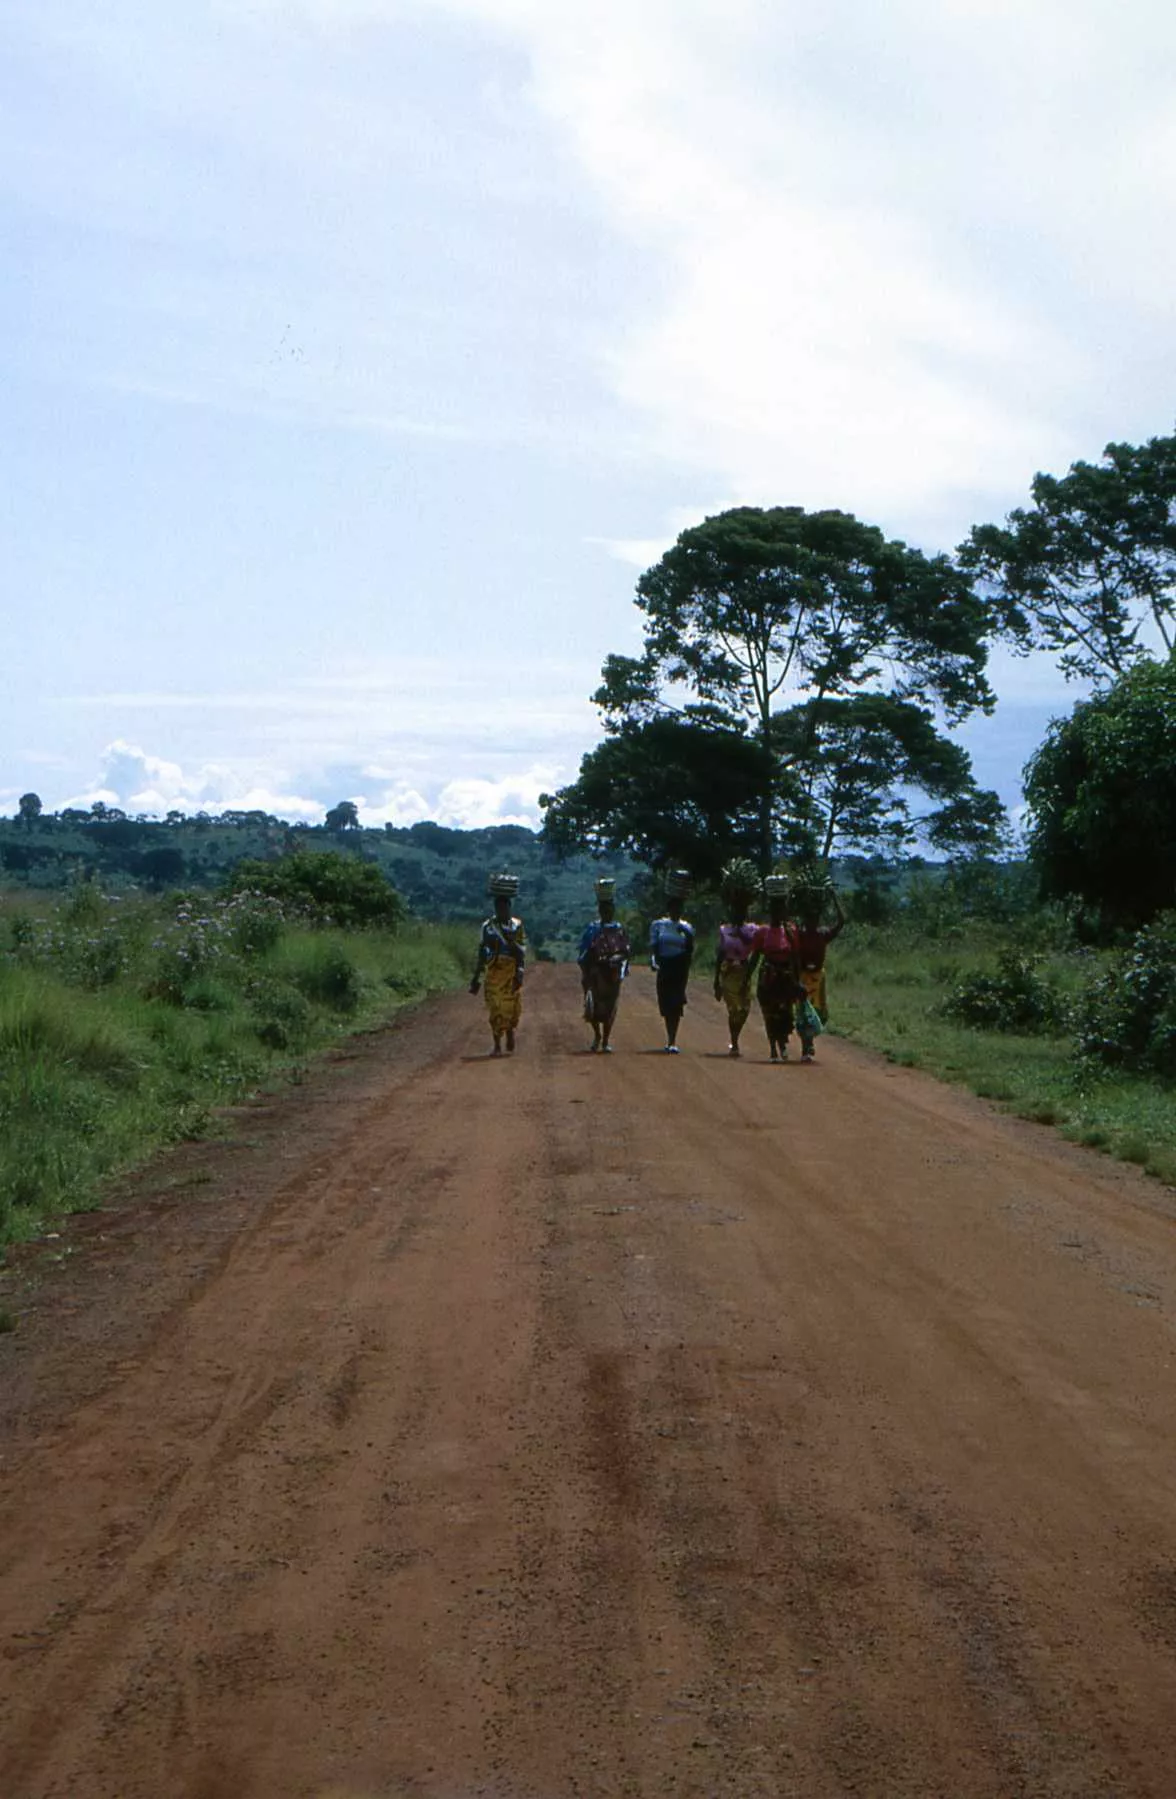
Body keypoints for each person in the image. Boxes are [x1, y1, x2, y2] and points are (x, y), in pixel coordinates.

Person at [470, 873, 525, 1055]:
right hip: (493, 972)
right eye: (498, 907)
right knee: (495, 1008)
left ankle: (509, 1032)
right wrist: (476, 977)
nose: (502, 910)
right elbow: (482, 951)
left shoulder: (517, 926)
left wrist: (519, 970)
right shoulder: (488, 927)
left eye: (504, 907)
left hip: (510, 972)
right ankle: (497, 1045)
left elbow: (521, 953)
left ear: (509, 907)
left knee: (510, 1008)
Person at [792, 878, 845, 1063]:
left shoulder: (822, 934)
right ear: (806, 918)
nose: (812, 920)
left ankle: (809, 1043)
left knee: (818, 1012)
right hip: (804, 977)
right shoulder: (800, 935)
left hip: (818, 978)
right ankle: (806, 1047)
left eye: (815, 917)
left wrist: (834, 898)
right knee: (804, 1012)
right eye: (809, 917)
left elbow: (841, 922)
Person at [752, 874, 804, 1062]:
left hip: (786, 976)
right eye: (775, 908)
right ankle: (773, 1047)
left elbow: (795, 956)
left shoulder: (790, 930)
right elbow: (756, 956)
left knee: (785, 1013)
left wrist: (798, 981)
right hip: (768, 975)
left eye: (780, 908)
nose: (778, 912)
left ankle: (782, 1044)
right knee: (770, 1013)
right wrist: (746, 978)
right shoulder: (762, 931)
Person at [713, 857, 761, 1057]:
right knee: (734, 1009)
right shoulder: (725, 930)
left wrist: (750, 973)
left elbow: (756, 953)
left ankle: (735, 1037)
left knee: (745, 1010)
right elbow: (720, 954)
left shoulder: (752, 930)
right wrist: (716, 980)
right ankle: (734, 1042)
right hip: (728, 971)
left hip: (744, 971)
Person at [577, 877, 631, 1053]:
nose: (607, 912)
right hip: (595, 972)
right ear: (600, 910)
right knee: (592, 1006)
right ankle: (597, 1035)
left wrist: (621, 965)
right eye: (604, 909)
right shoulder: (592, 928)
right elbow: (584, 951)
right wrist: (587, 970)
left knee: (610, 1007)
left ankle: (605, 1039)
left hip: (613, 973)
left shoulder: (619, 928)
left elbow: (625, 950)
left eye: (609, 909)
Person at [649, 870, 695, 1052]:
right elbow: (654, 948)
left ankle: (672, 1040)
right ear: (669, 908)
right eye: (674, 907)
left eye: (680, 907)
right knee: (665, 1003)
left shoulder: (687, 928)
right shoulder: (658, 925)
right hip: (664, 966)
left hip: (680, 968)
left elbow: (690, 950)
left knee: (676, 1004)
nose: (677, 910)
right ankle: (670, 1037)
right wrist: (654, 962)